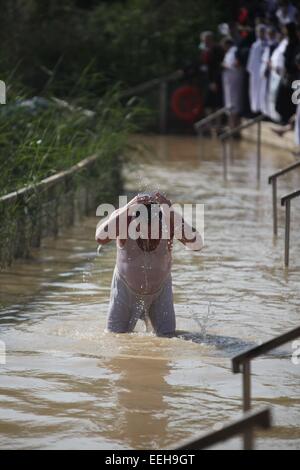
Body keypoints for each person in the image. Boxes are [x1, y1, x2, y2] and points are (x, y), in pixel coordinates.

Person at [95, 192, 203, 336]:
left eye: (153, 231)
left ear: (160, 222)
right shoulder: (124, 219)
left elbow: (197, 245)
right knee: (114, 337)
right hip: (124, 289)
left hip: (161, 289)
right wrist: (128, 206)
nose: (148, 235)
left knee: (168, 337)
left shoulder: (168, 221)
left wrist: (172, 213)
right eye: (142, 229)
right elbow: (100, 237)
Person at [221, 37, 244, 132]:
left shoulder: (235, 51)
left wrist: (225, 65)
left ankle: (233, 125)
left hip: (234, 79)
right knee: (229, 101)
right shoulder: (229, 52)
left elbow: (237, 64)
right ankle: (230, 124)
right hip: (229, 80)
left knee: (234, 101)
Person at [247, 24, 267, 113]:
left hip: (264, 71)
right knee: (255, 90)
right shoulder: (255, 45)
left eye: (262, 32)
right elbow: (252, 60)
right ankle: (256, 109)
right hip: (256, 71)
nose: (261, 34)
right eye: (259, 32)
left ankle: (265, 110)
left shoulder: (268, 44)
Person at [259, 26, 278, 115]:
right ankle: (265, 112)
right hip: (265, 72)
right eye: (268, 34)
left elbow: (270, 60)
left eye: (271, 34)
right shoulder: (267, 44)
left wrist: (266, 70)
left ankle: (270, 113)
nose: (269, 35)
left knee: (270, 93)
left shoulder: (274, 45)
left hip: (271, 73)